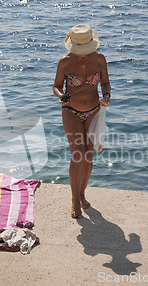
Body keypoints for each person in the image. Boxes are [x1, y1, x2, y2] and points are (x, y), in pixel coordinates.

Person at [53, 24, 111, 219]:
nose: (82, 55)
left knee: (88, 157)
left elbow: (104, 82)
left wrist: (107, 95)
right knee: (77, 154)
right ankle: (74, 201)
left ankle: (82, 193)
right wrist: (61, 95)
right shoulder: (64, 62)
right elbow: (56, 86)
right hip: (71, 112)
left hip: (94, 111)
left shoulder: (100, 59)